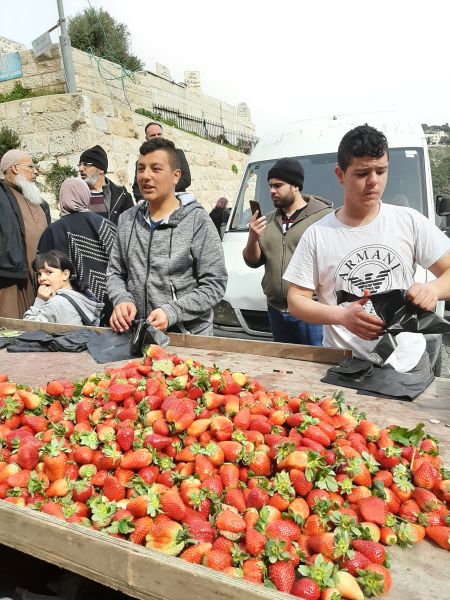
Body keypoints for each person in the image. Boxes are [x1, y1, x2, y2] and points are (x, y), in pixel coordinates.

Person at [284, 124, 450, 361]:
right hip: (345, 365)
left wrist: (432, 289)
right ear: (340, 175)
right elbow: (296, 301)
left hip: (406, 363)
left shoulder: (409, 221)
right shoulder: (317, 234)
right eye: (362, 173)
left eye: (381, 171)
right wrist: (340, 316)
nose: (373, 181)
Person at [106, 137, 227, 335]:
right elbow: (115, 273)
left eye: (156, 169)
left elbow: (215, 284)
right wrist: (122, 300)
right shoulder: (127, 220)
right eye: (141, 169)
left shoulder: (197, 220)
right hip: (138, 335)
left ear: (175, 176)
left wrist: (172, 312)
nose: (146, 176)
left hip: (186, 339)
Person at [243, 157, 332, 345]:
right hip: (276, 311)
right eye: (270, 186)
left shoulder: (323, 218)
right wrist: (253, 236)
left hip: (311, 312)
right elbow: (252, 261)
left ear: (296, 186)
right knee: (284, 369)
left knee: (315, 368)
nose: (272, 191)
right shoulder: (268, 221)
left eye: (278, 185)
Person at [37, 178, 117, 304]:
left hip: (69, 305)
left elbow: (42, 269)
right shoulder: (106, 224)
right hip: (113, 299)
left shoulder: (53, 230)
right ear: (86, 196)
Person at [0, 149, 50, 318]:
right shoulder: (2, 195)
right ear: (15, 168)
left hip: (40, 274)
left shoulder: (35, 198)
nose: (35, 171)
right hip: (11, 276)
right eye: (30, 166)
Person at [23, 250, 103, 325]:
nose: (41, 278)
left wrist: (40, 300)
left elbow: (27, 327)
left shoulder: (57, 302)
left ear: (65, 274)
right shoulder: (83, 295)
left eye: (49, 272)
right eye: (39, 274)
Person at [132, 122, 191, 201]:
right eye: (153, 135)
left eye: (159, 134)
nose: (157, 137)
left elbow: (185, 179)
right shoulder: (141, 160)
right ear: (146, 138)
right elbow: (137, 186)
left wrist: (161, 190)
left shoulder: (177, 153)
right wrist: (141, 200)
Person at [78, 145, 134, 225]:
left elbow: (131, 227)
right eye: (80, 164)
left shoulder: (122, 196)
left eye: (86, 164)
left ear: (101, 169)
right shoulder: (77, 195)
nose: (81, 168)